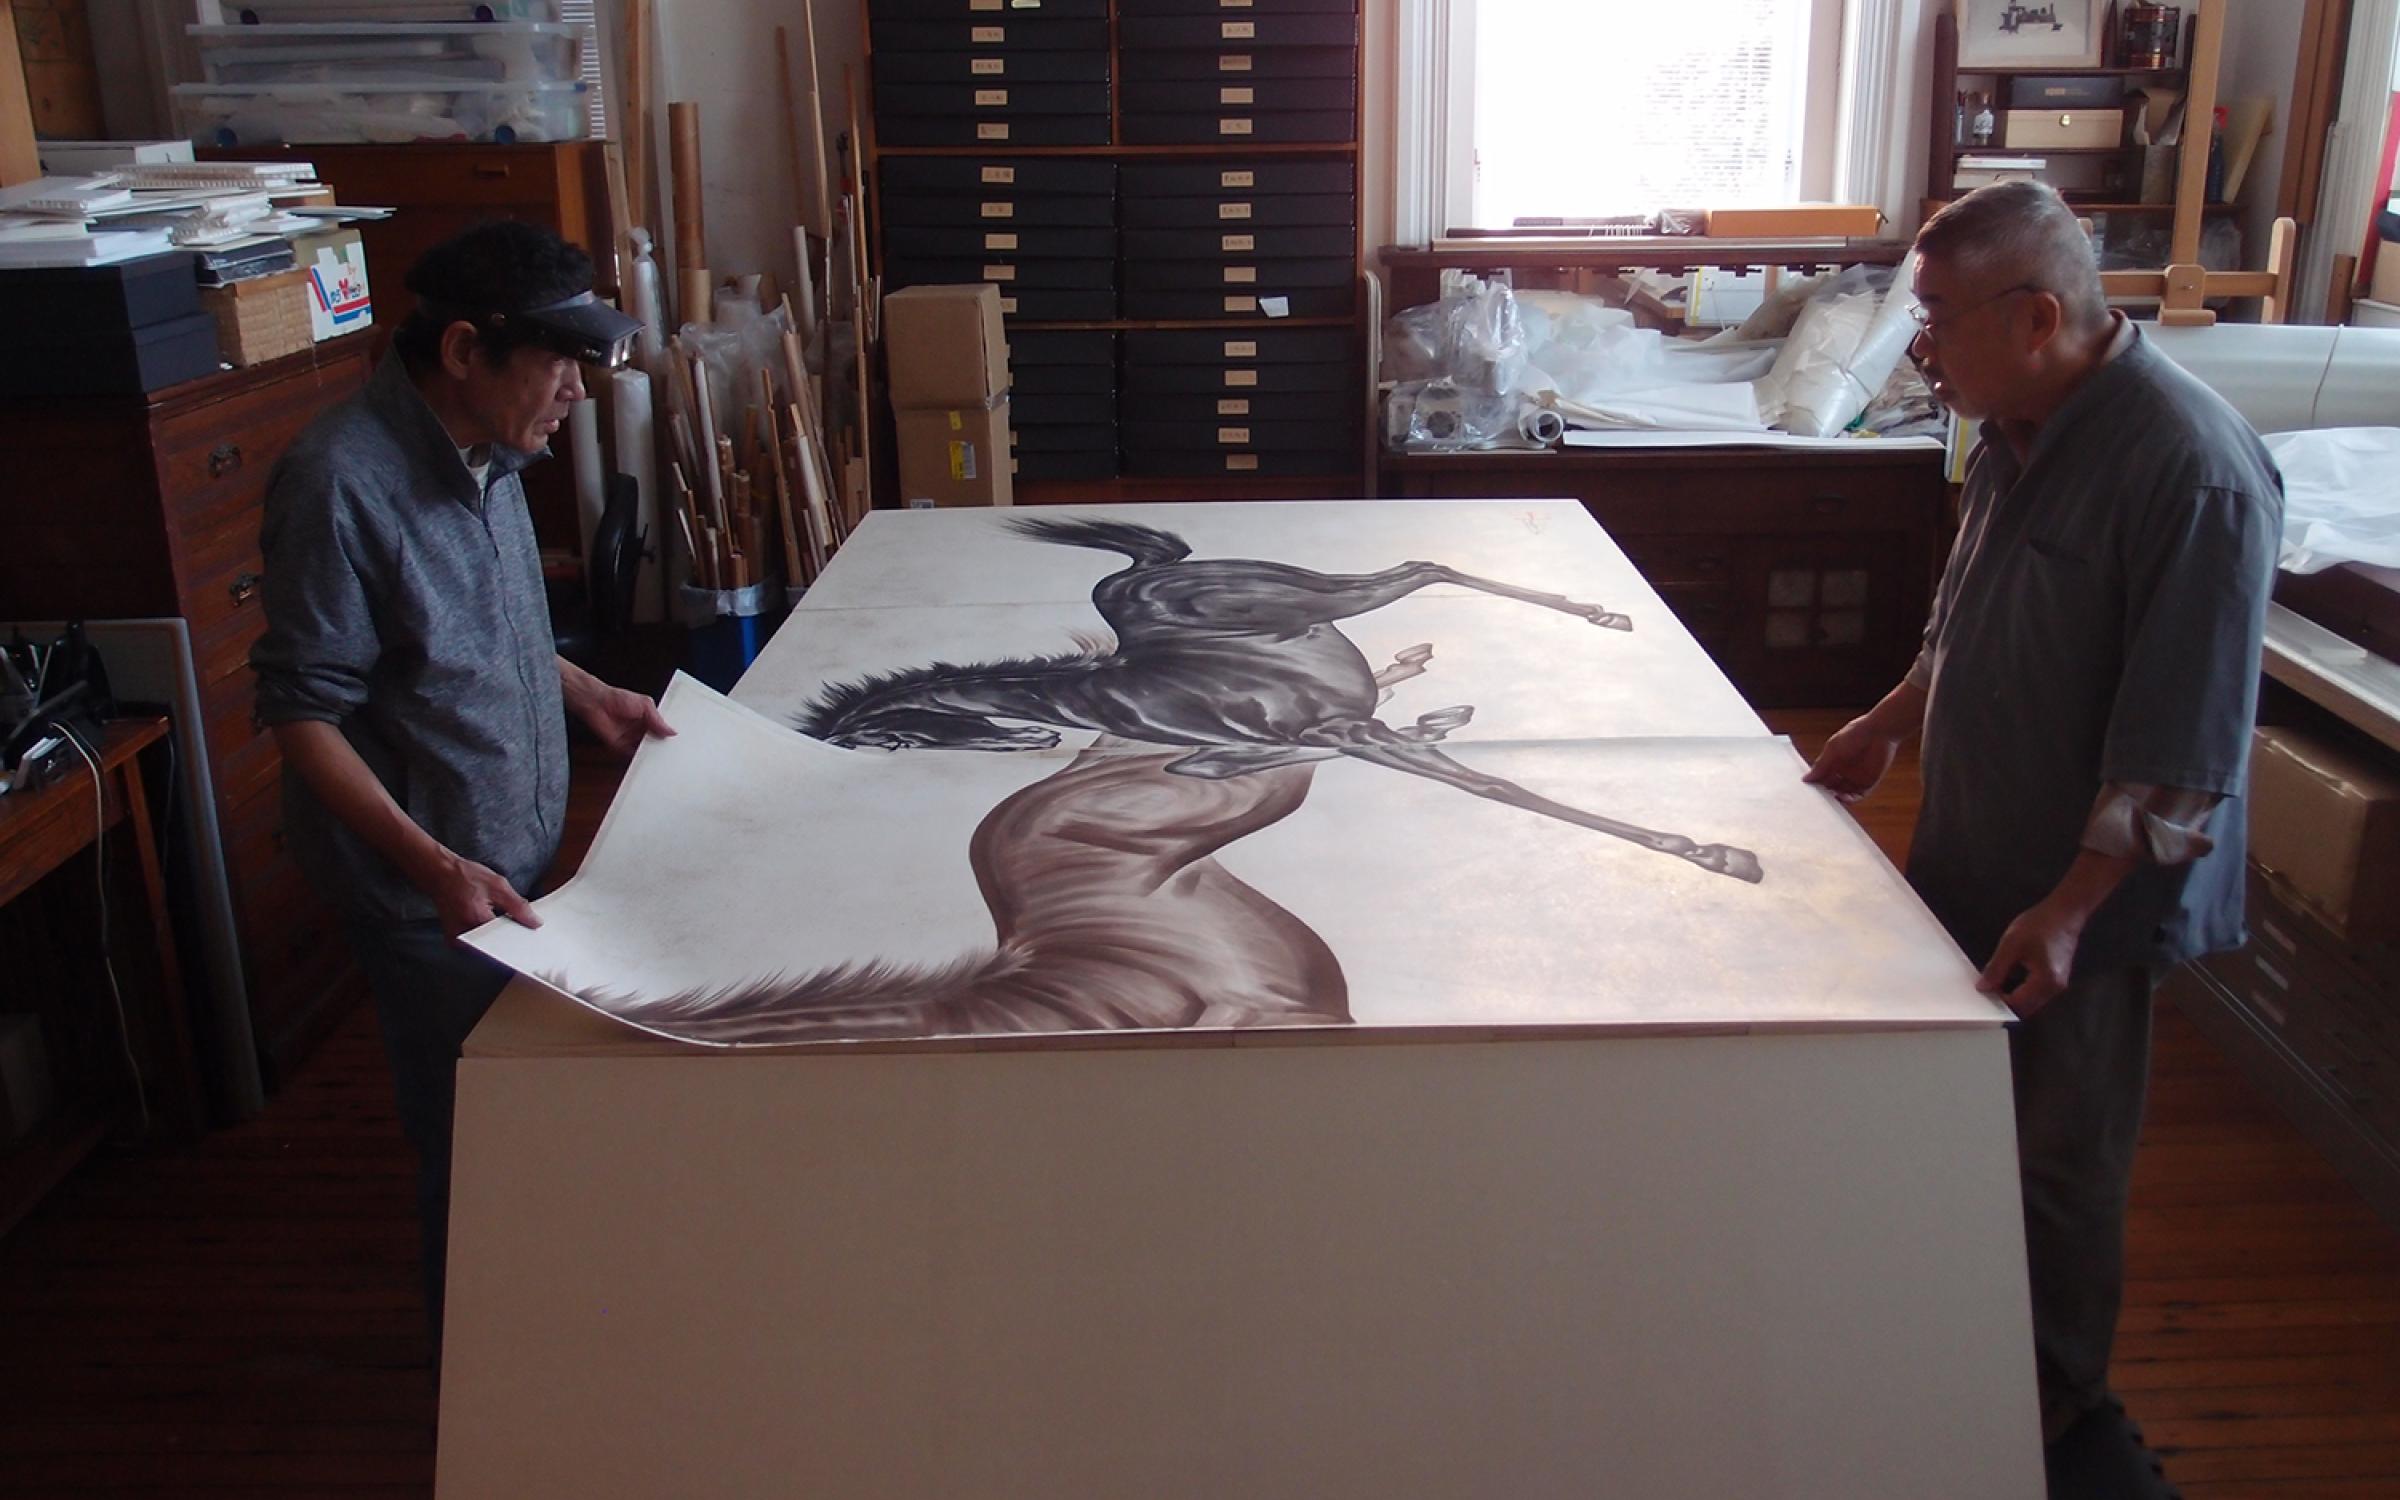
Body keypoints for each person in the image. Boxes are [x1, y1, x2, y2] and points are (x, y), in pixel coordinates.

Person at [1803, 183, 2280, 1487]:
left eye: (1939, 322)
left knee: (2061, 1155)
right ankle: (1953, 1332)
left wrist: (2071, 908)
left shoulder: (2191, 471)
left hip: (2089, 899)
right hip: (1981, 842)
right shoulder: (2013, 428)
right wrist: (1897, 716)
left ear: (2039, 316)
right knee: (1962, 1116)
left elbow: (2183, 759)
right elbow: (1970, 617)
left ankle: (2052, 1412)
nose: (1921, 350)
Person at [250, 220, 671, 1337]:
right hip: (425, 886)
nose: (576, 394)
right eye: (559, 364)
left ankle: (543, 1316)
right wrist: (435, 866)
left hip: (506, 853)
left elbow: (478, 631)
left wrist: (584, 695)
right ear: (466, 350)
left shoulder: (494, 450)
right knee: (473, 1132)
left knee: (531, 1113)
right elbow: (301, 711)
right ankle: (476, 1371)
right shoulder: (341, 483)